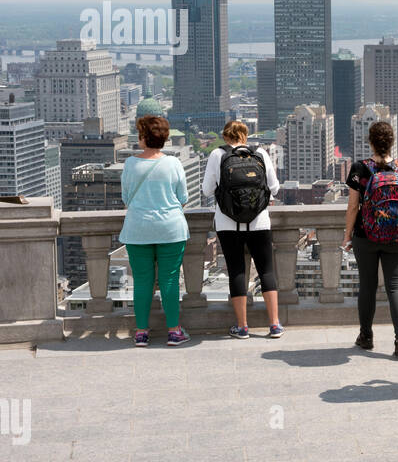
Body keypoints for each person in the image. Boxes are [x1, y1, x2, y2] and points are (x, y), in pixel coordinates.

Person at [202, 120, 283, 339]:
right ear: (245, 135)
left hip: (228, 223)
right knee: (266, 270)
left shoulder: (218, 155)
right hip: (259, 221)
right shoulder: (260, 154)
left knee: (237, 271)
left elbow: (207, 190)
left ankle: (242, 326)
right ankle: (274, 324)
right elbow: (274, 187)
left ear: (226, 136)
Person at [344, 120, 398, 357]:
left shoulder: (360, 169)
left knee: (368, 285)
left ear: (370, 142)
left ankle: (366, 335)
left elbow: (353, 207)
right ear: (392, 141)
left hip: (367, 235)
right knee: (396, 286)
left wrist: (348, 235)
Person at [120, 114, 190, 347]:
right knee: (169, 280)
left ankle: (141, 332)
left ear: (143, 137)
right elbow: (183, 198)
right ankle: (174, 331)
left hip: (138, 228)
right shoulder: (173, 163)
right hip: (170, 227)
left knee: (142, 282)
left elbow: (126, 197)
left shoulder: (131, 164)